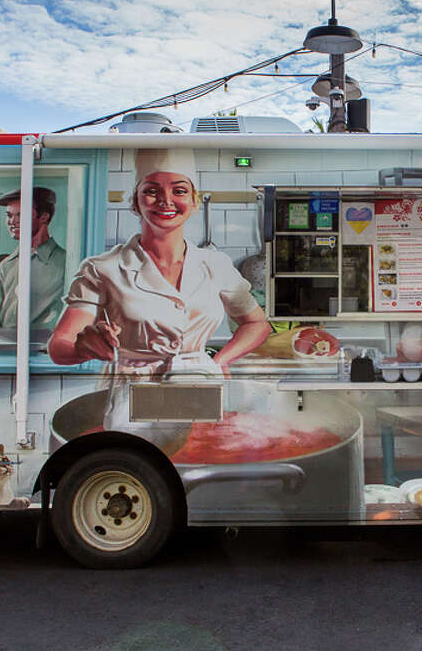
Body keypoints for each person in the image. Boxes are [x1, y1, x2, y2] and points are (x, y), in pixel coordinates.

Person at [48, 149, 270, 442]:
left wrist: (219, 361)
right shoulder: (103, 268)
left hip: (198, 386)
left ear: (193, 202)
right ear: (135, 202)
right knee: (140, 463)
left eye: (179, 190)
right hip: (135, 395)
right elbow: (59, 346)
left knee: (198, 462)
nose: (166, 200)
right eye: (151, 191)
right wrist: (84, 344)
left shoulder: (215, 265)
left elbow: (257, 324)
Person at [0, 187, 66, 329]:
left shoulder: (65, 262)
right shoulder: (7, 265)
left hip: (45, 347)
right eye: (9, 215)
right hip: (6, 347)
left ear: (44, 217)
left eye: (20, 215)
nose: (12, 222)